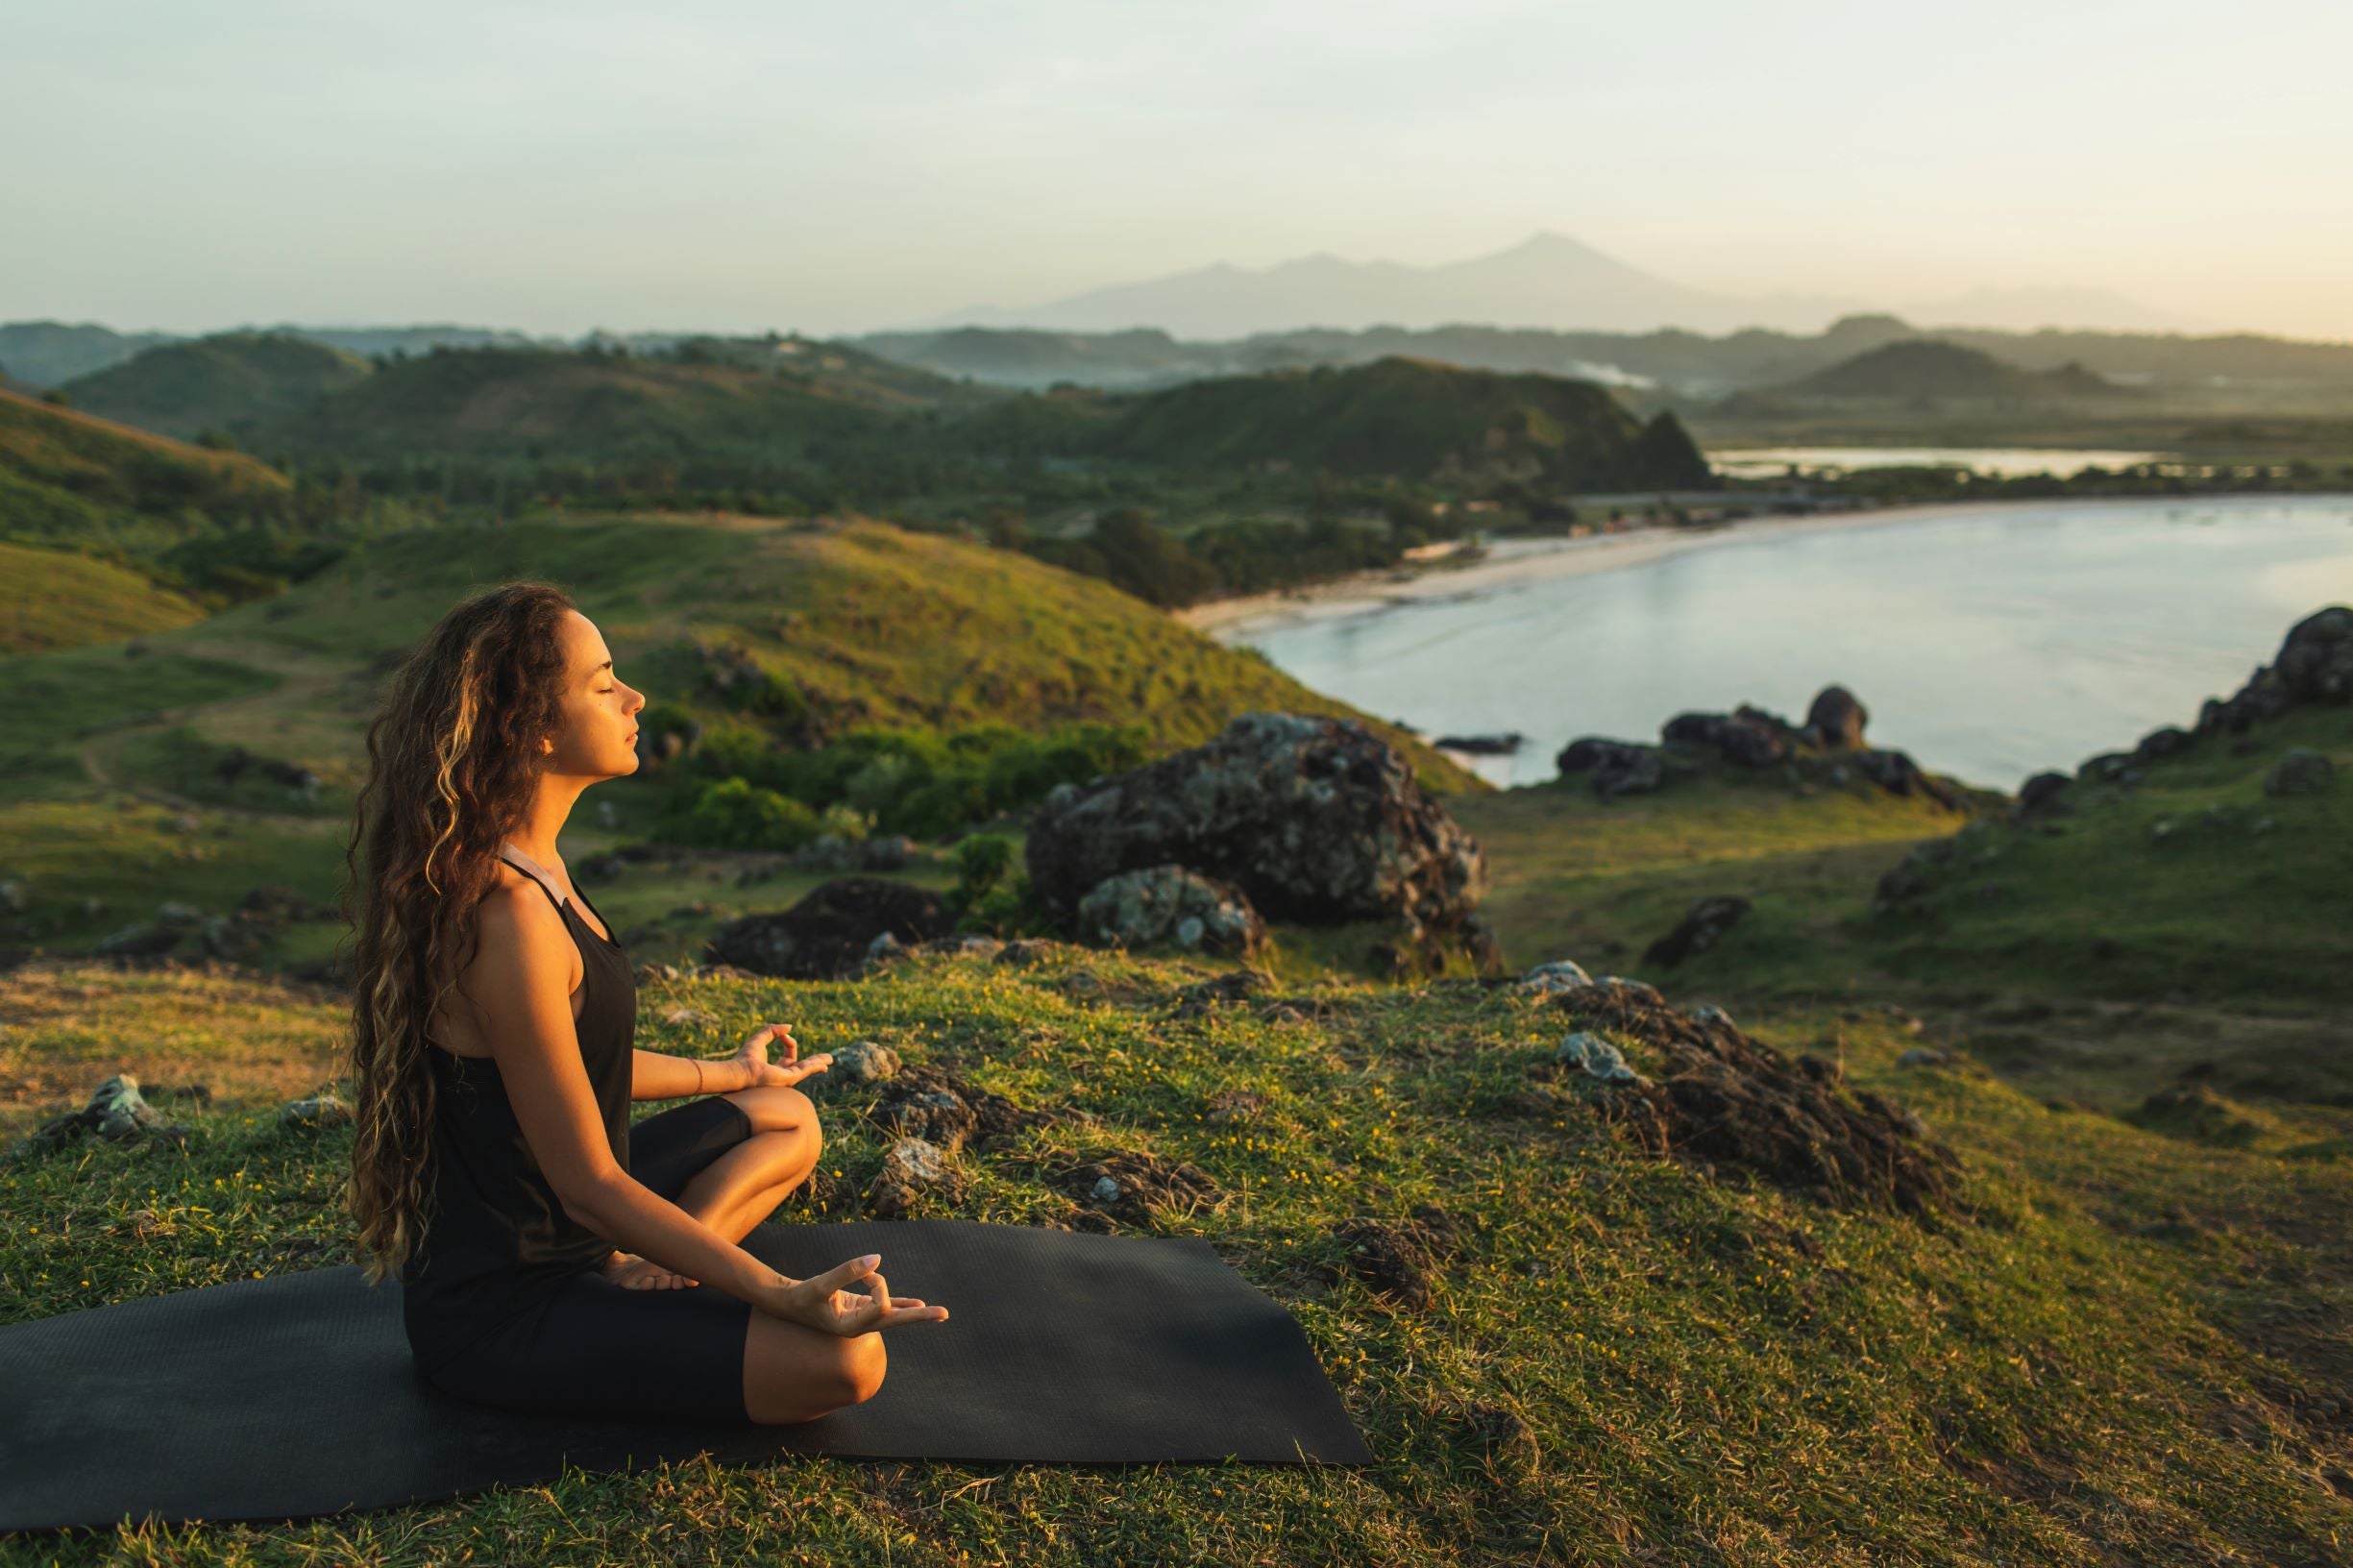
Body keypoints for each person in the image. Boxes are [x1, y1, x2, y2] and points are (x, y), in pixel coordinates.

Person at [340, 582, 946, 1425]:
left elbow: (566, 1062)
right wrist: (783, 1295)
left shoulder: (535, 867)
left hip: (583, 1236)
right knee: (845, 1362)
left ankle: (649, 1266)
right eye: (603, 684)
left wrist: (724, 1071)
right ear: (535, 728)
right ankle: (644, 1265)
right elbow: (588, 1182)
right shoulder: (507, 915)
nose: (634, 699)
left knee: (783, 1114)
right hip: (508, 1306)